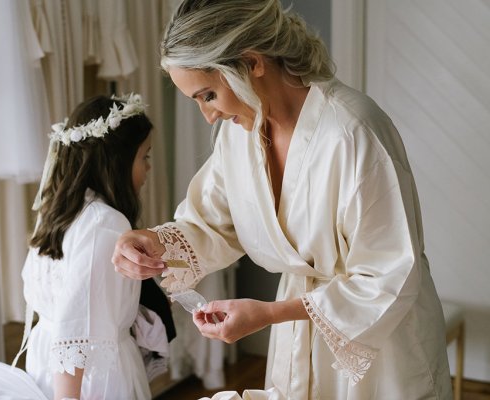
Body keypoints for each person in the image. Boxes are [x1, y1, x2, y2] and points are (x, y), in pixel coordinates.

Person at [111, 1, 452, 399]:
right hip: (298, 327)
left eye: (208, 95)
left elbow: (389, 273)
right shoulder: (239, 135)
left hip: (378, 338)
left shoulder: (353, 131)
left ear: (252, 62)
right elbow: (212, 223)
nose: (209, 116)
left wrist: (272, 314)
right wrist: (155, 243)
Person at [15, 93, 157, 400]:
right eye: (144, 156)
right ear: (117, 162)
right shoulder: (106, 223)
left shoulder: (56, 210)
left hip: (47, 364)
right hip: (86, 379)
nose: (148, 168)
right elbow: (74, 332)